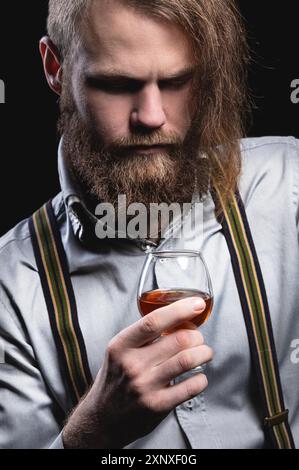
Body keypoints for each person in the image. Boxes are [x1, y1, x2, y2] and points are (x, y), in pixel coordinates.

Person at [0, 0, 298, 450]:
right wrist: (90, 432)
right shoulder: (9, 285)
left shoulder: (289, 185)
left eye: (177, 81)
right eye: (118, 84)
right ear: (55, 67)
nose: (152, 116)